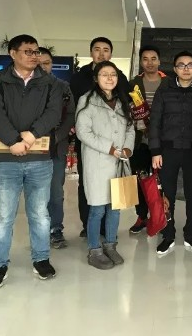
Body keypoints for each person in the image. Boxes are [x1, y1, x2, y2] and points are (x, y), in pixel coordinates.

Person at [0, 34, 63, 289]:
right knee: (2, 217)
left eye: (36, 51)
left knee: (40, 214)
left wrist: (30, 136)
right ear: (13, 53)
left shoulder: (50, 83)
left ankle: (41, 259)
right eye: (28, 51)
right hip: (5, 160)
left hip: (39, 160)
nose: (33, 56)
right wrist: (13, 141)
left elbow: (54, 113)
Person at [76, 61, 135, 270]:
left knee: (115, 208)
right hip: (98, 163)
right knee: (97, 209)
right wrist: (110, 148)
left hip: (119, 163)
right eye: (104, 74)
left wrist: (127, 148)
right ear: (96, 78)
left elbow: (130, 128)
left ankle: (110, 245)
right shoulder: (87, 101)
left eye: (113, 74)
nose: (109, 78)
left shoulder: (122, 100)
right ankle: (94, 250)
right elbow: (83, 132)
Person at [150, 51, 192, 255]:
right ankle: (168, 234)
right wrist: (155, 150)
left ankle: (191, 234)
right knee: (167, 195)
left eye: (190, 65)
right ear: (175, 69)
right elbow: (155, 121)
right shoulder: (164, 89)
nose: (186, 68)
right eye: (181, 65)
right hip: (168, 150)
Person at [70, 37, 131, 237]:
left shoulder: (121, 82)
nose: (102, 53)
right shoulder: (80, 81)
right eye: (97, 49)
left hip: (119, 152)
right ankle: (90, 231)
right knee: (91, 192)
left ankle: (110, 234)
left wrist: (127, 146)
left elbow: (129, 120)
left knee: (115, 197)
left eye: (106, 50)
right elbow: (80, 123)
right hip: (93, 150)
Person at [38, 47, 75, 249]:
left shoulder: (62, 87)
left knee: (55, 193)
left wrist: (57, 137)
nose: (43, 67)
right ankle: (39, 231)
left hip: (56, 148)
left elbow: (70, 115)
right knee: (36, 193)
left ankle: (55, 229)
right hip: (30, 149)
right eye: (39, 63)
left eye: (47, 63)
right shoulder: (25, 87)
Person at [128, 45, 167, 234]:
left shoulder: (168, 83)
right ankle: (142, 215)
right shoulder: (133, 83)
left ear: (159, 61)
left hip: (164, 139)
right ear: (141, 61)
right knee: (140, 179)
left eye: (153, 58)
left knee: (164, 180)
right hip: (140, 140)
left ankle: (163, 215)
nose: (149, 63)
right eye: (145, 59)